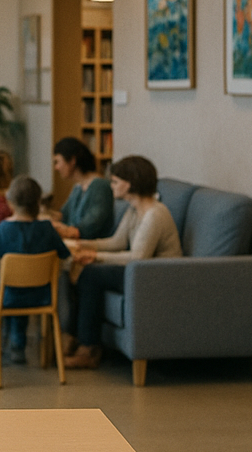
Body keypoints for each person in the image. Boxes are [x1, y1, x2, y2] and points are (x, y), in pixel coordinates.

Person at [64, 155, 182, 370]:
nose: (112, 186)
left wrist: (95, 257)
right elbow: (117, 242)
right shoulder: (134, 210)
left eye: (115, 181)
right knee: (80, 268)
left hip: (156, 276)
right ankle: (73, 337)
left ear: (129, 184)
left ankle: (89, 349)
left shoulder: (154, 214)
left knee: (90, 274)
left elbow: (138, 257)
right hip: (140, 272)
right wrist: (82, 245)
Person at [0, 176, 72, 365]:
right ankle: (18, 344)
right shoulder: (48, 229)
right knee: (20, 290)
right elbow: (63, 253)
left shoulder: (4, 229)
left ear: (10, 202)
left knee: (1, 291)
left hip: (8, 296)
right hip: (41, 297)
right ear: (38, 202)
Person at [50, 137, 115, 240]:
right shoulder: (78, 187)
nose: (56, 168)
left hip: (88, 247)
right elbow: (63, 216)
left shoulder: (100, 187)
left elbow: (86, 229)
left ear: (72, 160)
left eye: (57, 162)